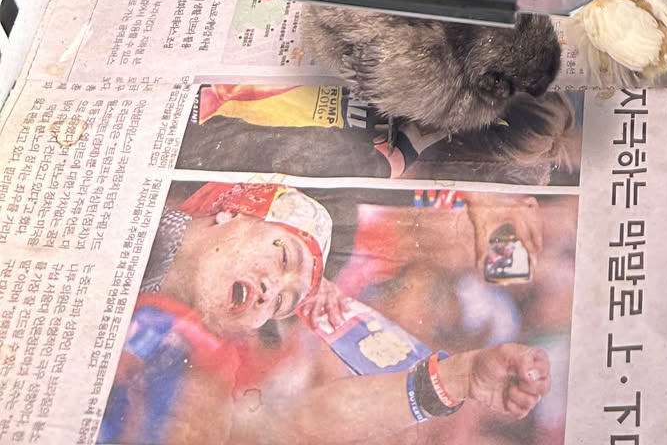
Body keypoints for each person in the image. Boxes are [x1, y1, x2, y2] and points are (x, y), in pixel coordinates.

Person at [101, 180, 551, 445]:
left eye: (282, 302)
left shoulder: (222, 347)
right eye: (437, 299)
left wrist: (458, 380)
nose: (270, 291)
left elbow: (293, 420)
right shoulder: (362, 211)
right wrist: (481, 190)